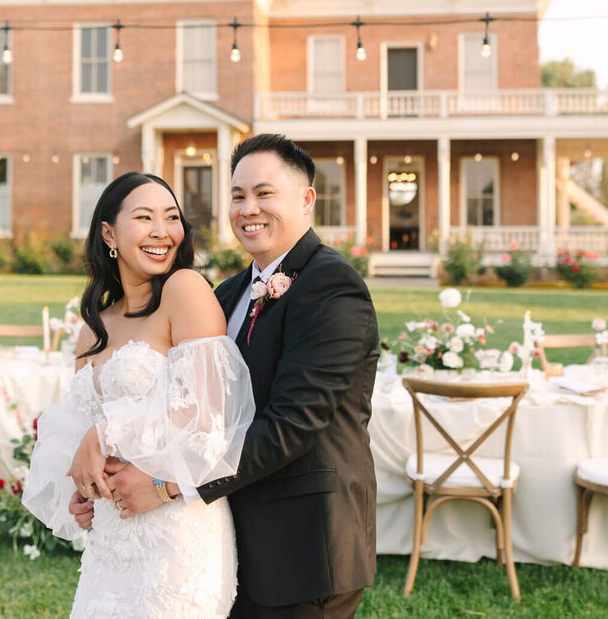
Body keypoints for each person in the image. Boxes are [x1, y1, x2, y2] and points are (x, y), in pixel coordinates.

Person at [73, 134, 380, 618]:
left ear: (306, 200)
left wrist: (165, 485)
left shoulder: (332, 286)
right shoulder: (230, 292)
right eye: (238, 196)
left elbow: (291, 425)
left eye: (264, 193)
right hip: (231, 536)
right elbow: (191, 405)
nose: (247, 208)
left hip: (303, 542)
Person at [22, 171, 255, 619]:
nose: (161, 232)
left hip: (176, 536)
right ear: (108, 232)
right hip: (111, 540)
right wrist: (81, 484)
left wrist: (106, 435)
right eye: (144, 217)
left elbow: (208, 414)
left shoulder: (185, 291)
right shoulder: (94, 324)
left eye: (171, 218)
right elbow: (73, 423)